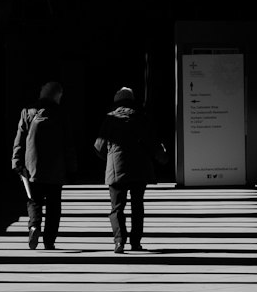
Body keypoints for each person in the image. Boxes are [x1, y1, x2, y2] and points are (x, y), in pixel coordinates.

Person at [93, 85, 168, 253]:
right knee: (137, 206)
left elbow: (99, 146)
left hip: (116, 168)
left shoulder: (110, 119)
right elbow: (152, 142)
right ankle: (135, 242)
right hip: (140, 168)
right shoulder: (142, 117)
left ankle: (119, 241)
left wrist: (110, 158)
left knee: (117, 207)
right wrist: (161, 157)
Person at [11, 80, 75, 249]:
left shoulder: (28, 112)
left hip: (33, 166)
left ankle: (34, 225)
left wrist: (16, 161)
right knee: (54, 205)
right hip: (56, 168)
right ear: (58, 96)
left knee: (34, 200)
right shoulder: (62, 114)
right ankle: (49, 240)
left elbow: (20, 139)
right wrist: (71, 166)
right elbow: (68, 143)